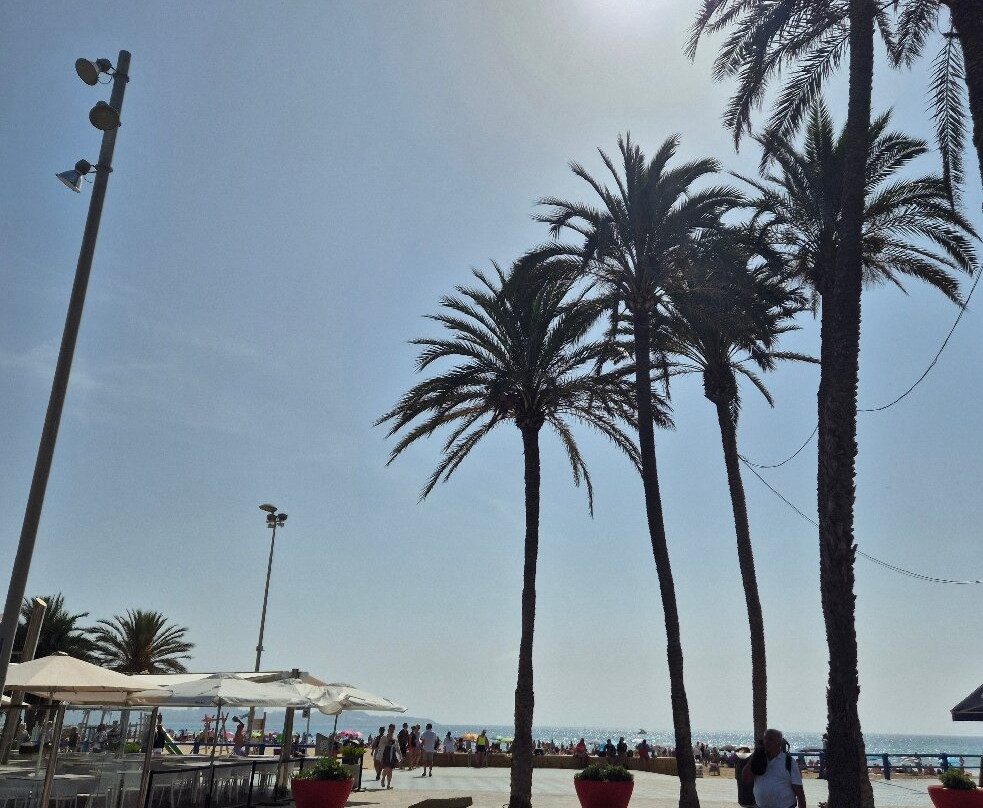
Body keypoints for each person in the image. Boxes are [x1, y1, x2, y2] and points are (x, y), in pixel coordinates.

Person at [742, 729, 805, 808]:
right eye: (765, 739)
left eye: (771, 739)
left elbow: (799, 792)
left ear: (779, 743)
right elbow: (746, 778)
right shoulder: (758, 760)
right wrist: (755, 755)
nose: (766, 742)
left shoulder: (788, 761)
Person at [376, 724, 401, 790]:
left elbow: (397, 747)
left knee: (390, 770)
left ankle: (388, 784)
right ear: (388, 729)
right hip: (386, 754)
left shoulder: (395, 737)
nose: (392, 730)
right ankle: (383, 779)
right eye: (391, 729)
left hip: (392, 754)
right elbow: (380, 746)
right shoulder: (384, 737)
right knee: (386, 767)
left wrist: (400, 756)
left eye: (393, 729)